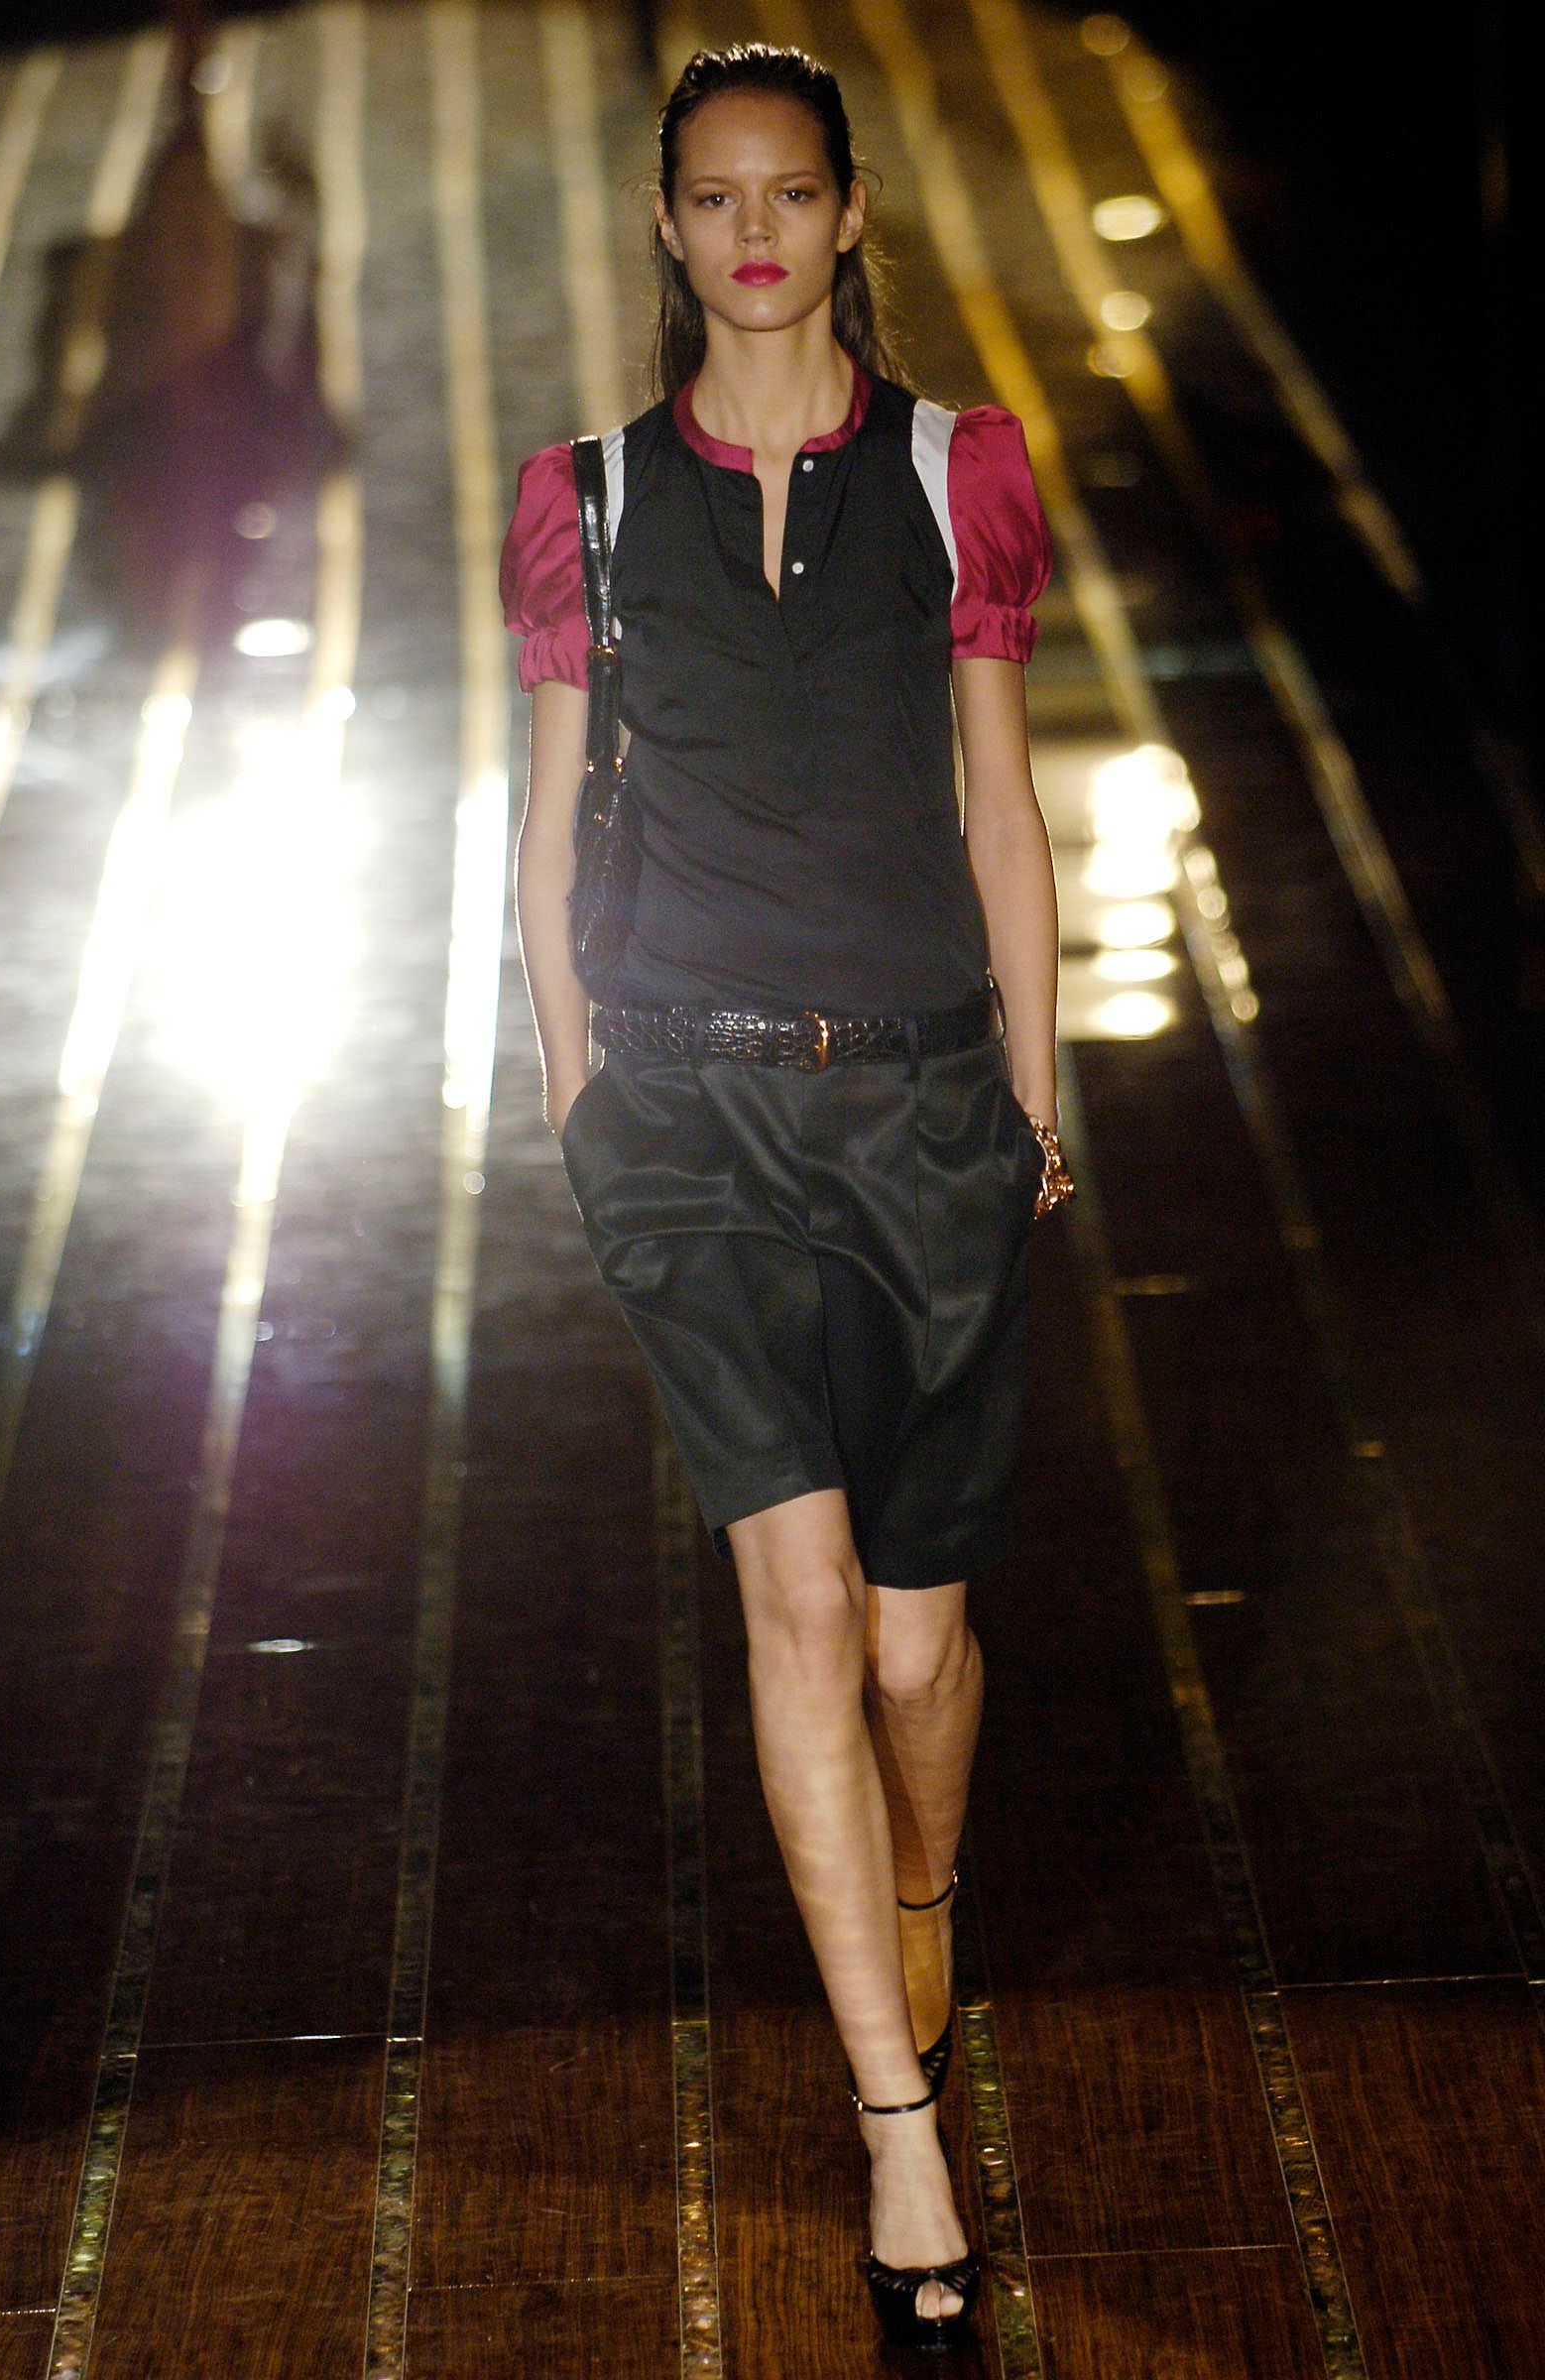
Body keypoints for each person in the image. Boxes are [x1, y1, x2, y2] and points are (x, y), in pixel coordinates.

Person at [500, 41, 1070, 2352]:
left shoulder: (953, 470)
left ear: (844, 216)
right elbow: (542, 820)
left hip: (927, 1116)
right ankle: (894, 2124)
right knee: (799, 1607)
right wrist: (580, 1101)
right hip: (694, 1122)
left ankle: (920, 1897)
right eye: (713, 196)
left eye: (788, 193)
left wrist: (1033, 1105)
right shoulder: (583, 499)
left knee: (918, 1646)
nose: (751, 231)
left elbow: (1001, 807)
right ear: (668, 227)